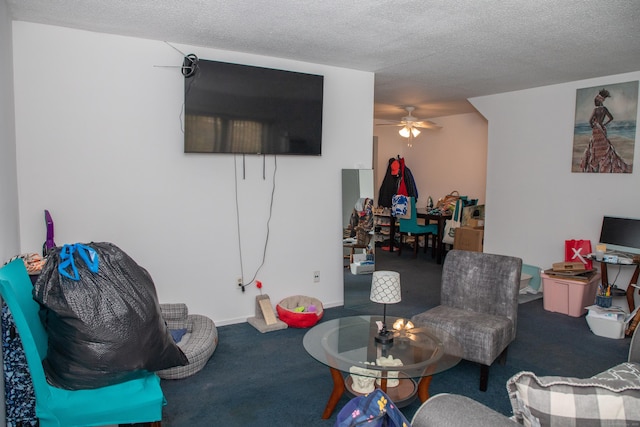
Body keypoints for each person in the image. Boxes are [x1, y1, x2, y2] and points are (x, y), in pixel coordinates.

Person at [580, 89, 631, 173]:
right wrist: (604, 124)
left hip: (596, 130)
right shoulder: (604, 109)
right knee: (604, 147)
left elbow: (589, 121)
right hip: (602, 129)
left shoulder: (595, 110)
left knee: (595, 147)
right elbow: (611, 118)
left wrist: (593, 126)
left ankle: (594, 166)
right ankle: (601, 165)